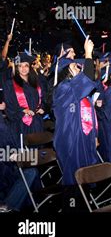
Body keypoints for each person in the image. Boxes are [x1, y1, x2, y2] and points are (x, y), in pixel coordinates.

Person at [53, 36, 99, 206]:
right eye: (74, 65)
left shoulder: (76, 88)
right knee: (74, 179)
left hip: (83, 137)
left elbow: (88, 112)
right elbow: (87, 80)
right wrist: (87, 54)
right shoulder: (64, 88)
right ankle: (73, 207)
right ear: (67, 71)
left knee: (85, 177)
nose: (78, 67)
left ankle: (84, 204)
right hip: (71, 139)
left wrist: (93, 135)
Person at [4, 53, 45, 140]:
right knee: (25, 151)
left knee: (37, 150)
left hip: (36, 122)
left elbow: (42, 98)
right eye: (20, 66)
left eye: (26, 65)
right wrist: (23, 110)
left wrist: (41, 107)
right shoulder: (10, 84)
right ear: (17, 68)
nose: (23, 68)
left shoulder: (36, 82)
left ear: (29, 67)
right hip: (20, 123)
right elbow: (8, 104)